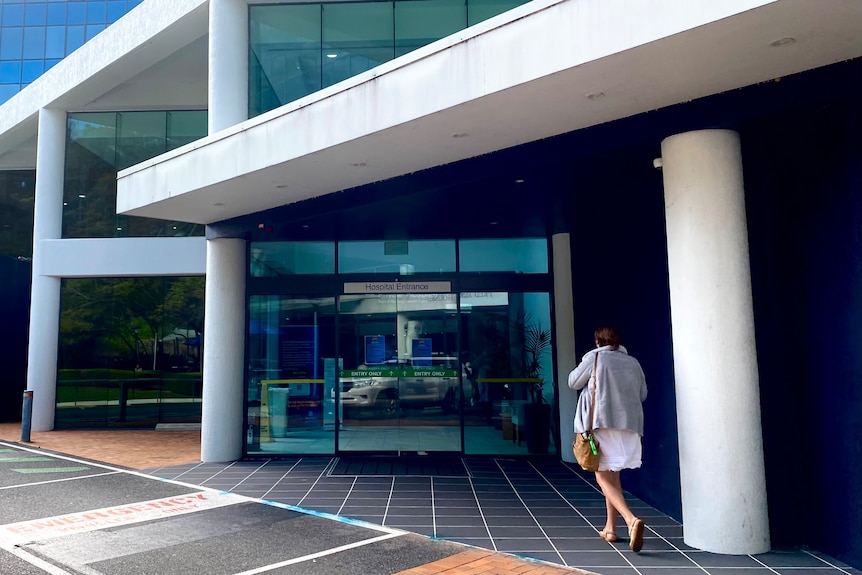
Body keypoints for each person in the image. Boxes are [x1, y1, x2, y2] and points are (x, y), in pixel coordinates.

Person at [568, 326, 648, 552]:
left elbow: (573, 382)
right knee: (613, 478)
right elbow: (642, 393)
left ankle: (631, 521)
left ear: (597, 342)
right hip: (629, 426)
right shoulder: (633, 362)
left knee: (602, 477)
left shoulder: (594, 358)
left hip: (602, 424)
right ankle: (611, 529)